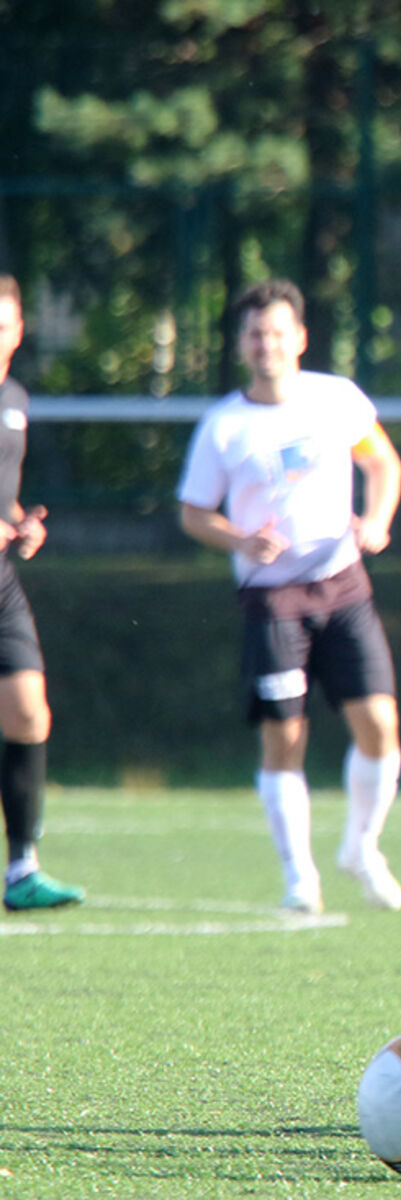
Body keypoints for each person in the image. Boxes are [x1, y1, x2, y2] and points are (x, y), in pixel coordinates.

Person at [177, 279, 401, 916]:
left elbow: (382, 465)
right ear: (242, 344)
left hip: (343, 584)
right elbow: (194, 513)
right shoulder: (224, 426)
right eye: (255, 333)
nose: (267, 344)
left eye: (278, 332)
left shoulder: (336, 400)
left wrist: (377, 521)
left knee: (379, 725)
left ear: (300, 338)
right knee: (286, 737)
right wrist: (239, 539)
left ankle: (362, 847)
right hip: (272, 601)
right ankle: (299, 876)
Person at [0, 275, 84, 913]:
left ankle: (22, 868)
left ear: (20, 328)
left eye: (4, 322)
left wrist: (22, 524)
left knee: (30, 712)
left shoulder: (15, 396)